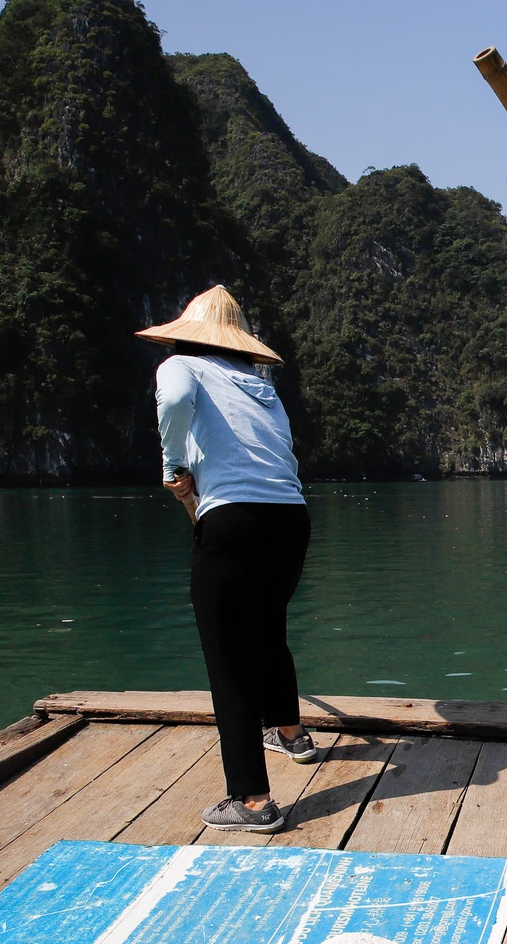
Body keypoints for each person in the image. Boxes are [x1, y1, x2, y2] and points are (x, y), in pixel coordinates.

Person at [136, 285, 317, 833]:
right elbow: (281, 445)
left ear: (190, 334)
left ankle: (252, 801)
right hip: (291, 517)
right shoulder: (262, 387)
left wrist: (173, 468)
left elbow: (171, 405)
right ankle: (289, 734)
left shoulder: (180, 365)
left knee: (230, 659)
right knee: (268, 631)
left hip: (232, 518)